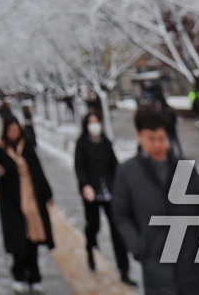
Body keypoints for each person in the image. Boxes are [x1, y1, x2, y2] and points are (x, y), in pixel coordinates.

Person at [112, 104, 199, 295]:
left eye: (161, 138)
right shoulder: (127, 173)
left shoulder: (183, 169)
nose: (158, 145)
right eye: (151, 139)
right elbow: (120, 215)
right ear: (138, 135)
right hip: (157, 267)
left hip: (193, 264)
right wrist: (138, 246)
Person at [0, 118, 55, 291]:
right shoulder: (0, 147)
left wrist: (47, 193)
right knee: (18, 242)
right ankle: (19, 274)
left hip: (31, 199)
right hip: (12, 202)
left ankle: (34, 276)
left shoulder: (27, 147)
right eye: (10, 130)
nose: (13, 133)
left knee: (32, 240)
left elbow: (38, 170)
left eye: (16, 130)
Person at [73, 112, 133, 284]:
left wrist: (121, 186)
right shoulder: (82, 144)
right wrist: (85, 185)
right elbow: (79, 167)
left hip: (109, 191)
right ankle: (90, 247)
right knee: (93, 225)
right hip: (91, 193)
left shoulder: (105, 143)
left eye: (97, 122)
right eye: (91, 122)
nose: (94, 125)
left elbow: (115, 166)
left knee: (117, 230)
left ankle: (124, 270)